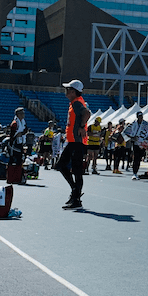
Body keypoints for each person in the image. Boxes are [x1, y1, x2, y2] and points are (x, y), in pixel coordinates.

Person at [59, 80, 88, 209]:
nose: (66, 91)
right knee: (62, 165)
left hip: (77, 142)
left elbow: (87, 113)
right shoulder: (75, 103)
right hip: (73, 141)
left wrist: (82, 126)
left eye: (68, 89)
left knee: (75, 170)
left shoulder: (77, 103)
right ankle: (75, 191)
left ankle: (76, 198)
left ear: (73, 91)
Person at [125, 111, 148, 180]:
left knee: (139, 158)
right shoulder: (134, 124)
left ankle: (136, 172)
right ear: (137, 117)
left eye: (142, 116)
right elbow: (126, 131)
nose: (141, 118)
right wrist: (132, 137)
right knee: (136, 158)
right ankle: (134, 173)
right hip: (136, 143)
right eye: (139, 116)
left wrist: (147, 137)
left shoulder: (145, 124)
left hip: (142, 144)